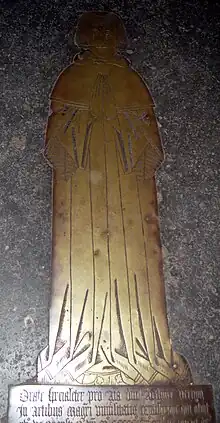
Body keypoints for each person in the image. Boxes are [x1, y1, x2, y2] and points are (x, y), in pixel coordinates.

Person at [37, 11, 191, 385]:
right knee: (82, 258)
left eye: (110, 31)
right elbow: (57, 136)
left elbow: (149, 139)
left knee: (133, 258)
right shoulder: (70, 79)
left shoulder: (131, 81)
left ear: (118, 36)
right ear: (85, 35)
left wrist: (125, 132)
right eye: (97, 30)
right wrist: (85, 127)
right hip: (81, 198)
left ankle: (137, 346)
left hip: (128, 198)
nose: (103, 36)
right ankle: (77, 347)